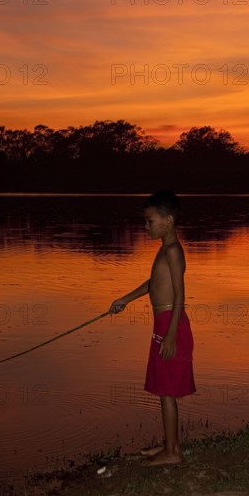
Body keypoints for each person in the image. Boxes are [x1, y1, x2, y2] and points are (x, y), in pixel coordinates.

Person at [108, 190, 196, 466]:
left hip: (172, 324)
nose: (146, 226)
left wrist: (170, 335)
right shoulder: (163, 251)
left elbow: (180, 295)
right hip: (163, 323)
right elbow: (152, 284)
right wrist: (124, 300)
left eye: (149, 221)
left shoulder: (173, 252)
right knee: (163, 388)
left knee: (167, 391)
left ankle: (173, 454)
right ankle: (170, 444)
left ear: (167, 221)